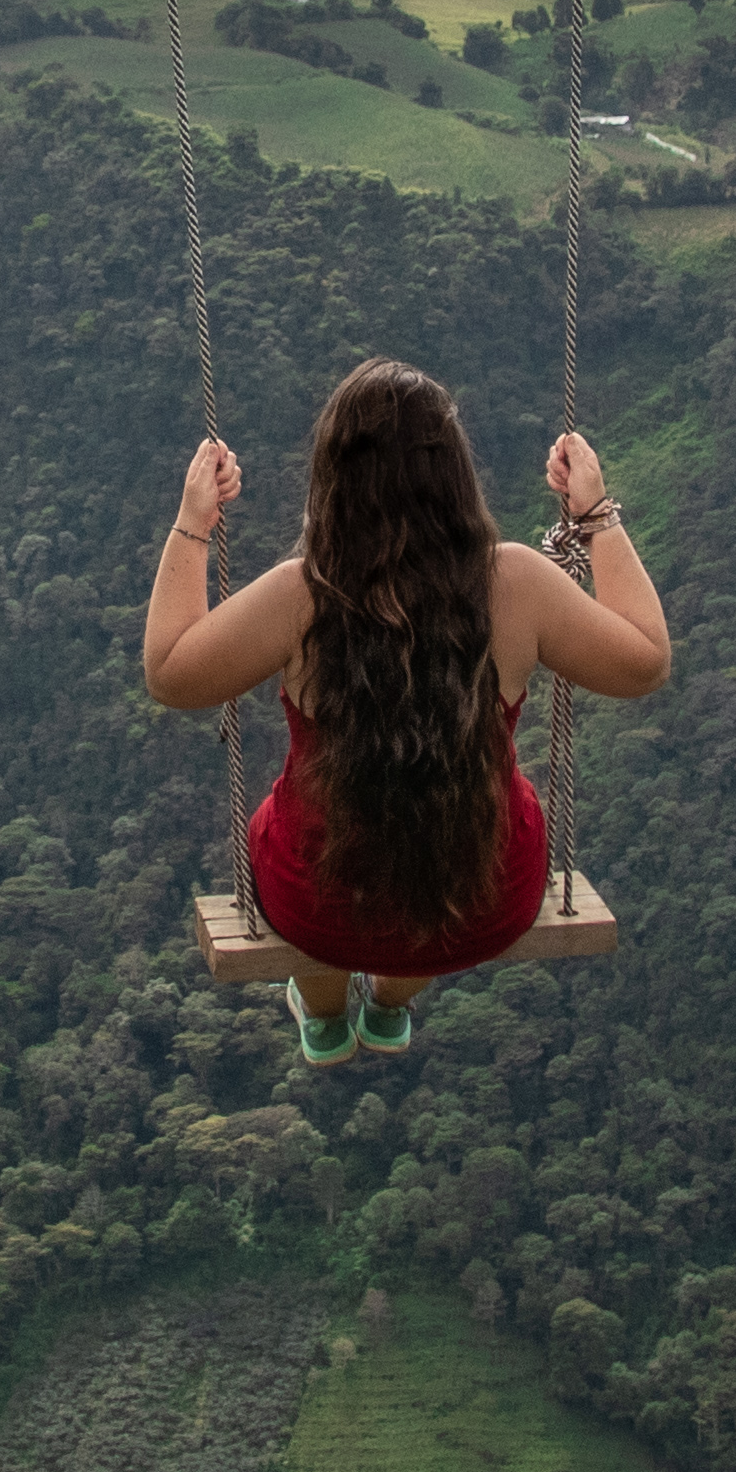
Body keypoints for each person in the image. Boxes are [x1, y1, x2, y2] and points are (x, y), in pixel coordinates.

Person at [142, 357, 671, 1066]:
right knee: (439, 863)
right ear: (456, 477)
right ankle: (390, 1004)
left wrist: (192, 524)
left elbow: (171, 673)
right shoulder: (515, 581)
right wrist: (595, 517)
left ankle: (325, 1016)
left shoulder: (303, 594)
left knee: (309, 852)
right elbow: (646, 660)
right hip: (480, 899)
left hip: (321, 900)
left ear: (332, 480)